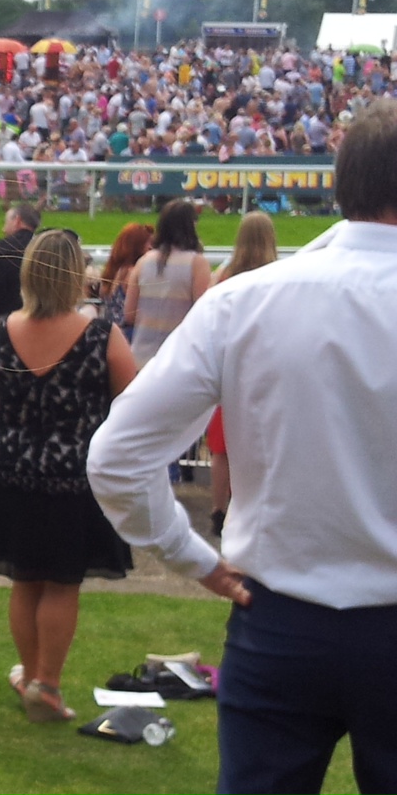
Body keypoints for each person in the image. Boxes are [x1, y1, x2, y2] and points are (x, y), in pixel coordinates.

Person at [89, 103, 397, 795]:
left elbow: (117, 457)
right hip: (281, 608)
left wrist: (191, 558)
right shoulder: (244, 299)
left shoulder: (245, 300)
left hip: (277, 623)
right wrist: (193, 557)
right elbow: (118, 457)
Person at [0, 230, 136, 723]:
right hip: (74, 477)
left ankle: (31, 675)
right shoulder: (101, 335)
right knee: (62, 583)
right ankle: (48, 683)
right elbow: (133, 402)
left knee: (25, 579)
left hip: (12, 472)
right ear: (74, 275)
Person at [202, 211, 278, 538]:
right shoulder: (277, 277)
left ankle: (218, 510)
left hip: (229, 365)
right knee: (262, 442)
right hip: (266, 366)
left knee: (222, 447)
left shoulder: (223, 276)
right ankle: (250, 508)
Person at [124, 198, 210, 367]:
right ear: (192, 225)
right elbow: (203, 315)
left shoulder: (143, 262)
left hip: (141, 360)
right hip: (179, 361)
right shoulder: (197, 264)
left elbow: (129, 314)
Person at [0, 203, 40, 335]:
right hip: (36, 324)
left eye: (5, 222)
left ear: (17, 220)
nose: (3, 229)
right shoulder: (45, 251)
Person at [98, 222, 152, 338]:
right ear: (138, 245)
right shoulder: (133, 273)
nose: (152, 249)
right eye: (150, 244)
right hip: (128, 334)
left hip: (110, 333)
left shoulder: (113, 271)